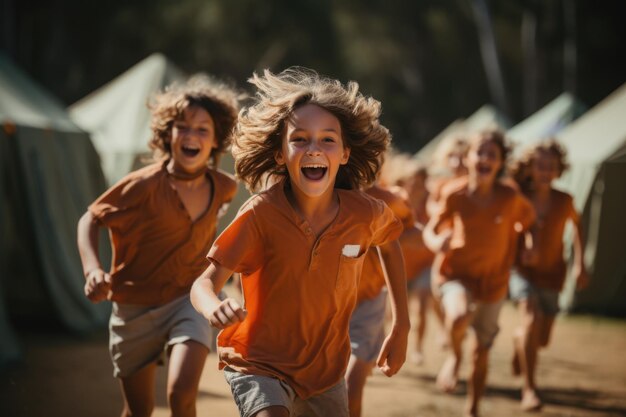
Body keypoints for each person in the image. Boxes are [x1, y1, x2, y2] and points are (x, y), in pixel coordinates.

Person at [191, 67, 410, 417]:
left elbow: (389, 243)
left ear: (344, 154)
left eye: (327, 139)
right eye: (299, 139)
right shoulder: (260, 214)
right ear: (280, 154)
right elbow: (203, 283)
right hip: (259, 363)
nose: (314, 149)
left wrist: (401, 325)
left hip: (325, 375)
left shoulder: (365, 213)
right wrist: (213, 305)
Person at [77, 75, 240, 417]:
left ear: (216, 141)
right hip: (133, 306)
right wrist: (93, 269)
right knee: (139, 410)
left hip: (187, 300)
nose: (192, 135)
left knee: (181, 395)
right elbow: (89, 219)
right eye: (183, 127)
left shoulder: (223, 186)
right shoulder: (141, 186)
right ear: (168, 134)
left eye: (202, 129)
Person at [423, 129, 535, 417]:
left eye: (492, 155)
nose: (485, 159)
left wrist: (526, 245)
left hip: (495, 283)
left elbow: (528, 221)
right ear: (468, 158)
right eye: (479, 153)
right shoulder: (455, 193)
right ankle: (453, 356)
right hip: (456, 275)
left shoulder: (509, 196)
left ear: (500, 163)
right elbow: (432, 230)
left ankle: (472, 407)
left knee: (481, 352)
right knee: (459, 315)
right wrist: (437, 242)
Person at [509, 139, 589, 411]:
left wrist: (580, 264)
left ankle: (520, 341)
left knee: (541, 339)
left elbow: (577, 228)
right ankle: (529, 389)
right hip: (523, 271)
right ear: (529, 167)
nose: (544, 171)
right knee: (531, 318)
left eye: (550, 166)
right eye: (539, 165)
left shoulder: (564, 200)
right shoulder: (519, 197)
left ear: (559, 169)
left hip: (554, 274)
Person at [346, 183, 416, 417]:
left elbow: (407, 225)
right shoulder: (317, 196)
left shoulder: (386, 200)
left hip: (368, 300)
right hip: (324, 303)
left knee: (350, 386)